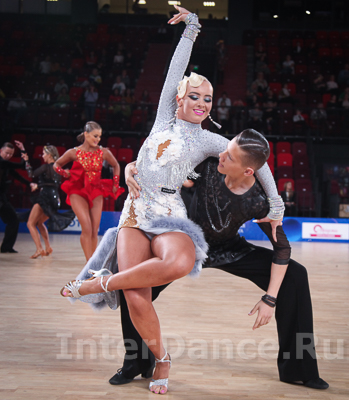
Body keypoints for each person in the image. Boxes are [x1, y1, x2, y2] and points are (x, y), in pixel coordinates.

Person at [60, 7, 284, 395]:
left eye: (208, 99)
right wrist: (191, 29)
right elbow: (174, 70)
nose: (202, 103)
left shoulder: (210, 140)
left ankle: (98, 283)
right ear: (179, 98)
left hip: (168, 213)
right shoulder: (164, 116)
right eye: (194, 96)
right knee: (136, 297)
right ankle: (161, 358)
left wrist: (276, 202)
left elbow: (257, 161)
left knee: (180, 261)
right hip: (135, 212)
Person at [76, 130, 327, 391]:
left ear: (248, 171)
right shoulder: (206, 168)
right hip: (186, 243)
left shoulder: (260, 200)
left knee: (296, 276)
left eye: (230, 156)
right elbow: (158, 168)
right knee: (133, 280)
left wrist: (270, 298)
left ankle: (299, 370)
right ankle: (137, 362)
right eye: (225, 150)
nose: (221, 155)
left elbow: (282, 249)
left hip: (229, 249)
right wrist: (131, 168)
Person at [53, 121, 124, 260]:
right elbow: (56, 164)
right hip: (77, 191)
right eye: (95, 136)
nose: (98, 139)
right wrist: (64, 173)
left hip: (96, 190)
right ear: (86, 134)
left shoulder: (103, 152)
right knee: (86, 227)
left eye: (99, 136)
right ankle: (88, 263)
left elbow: (116, 165)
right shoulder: (73, 152)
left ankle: (93, 262)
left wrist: (115, 182)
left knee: (94, 229)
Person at [24, 146, 75, 258]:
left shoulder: (46, 167)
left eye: (44, 153)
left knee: (30, 223)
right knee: (39, 223)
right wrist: (39, 185)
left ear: (49, 155)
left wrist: (27, 161)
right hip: (55, 198)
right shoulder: (58, 168)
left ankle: (39, 249)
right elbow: (53, 183)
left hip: (45, 197)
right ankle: (48, 248)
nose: (42, 156)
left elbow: (31, 174)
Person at [0, 141, 35, 253]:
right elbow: (21, 165)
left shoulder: (6, 164)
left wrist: (29, 184)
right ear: (0, 151)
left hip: (2, 198)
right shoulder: (1, 162)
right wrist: (23, 150)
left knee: (13, 220)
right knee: (13, 220)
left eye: (11, 154)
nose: (8, 156)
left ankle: (6, 247)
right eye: (6, 153)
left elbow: (17, 175)